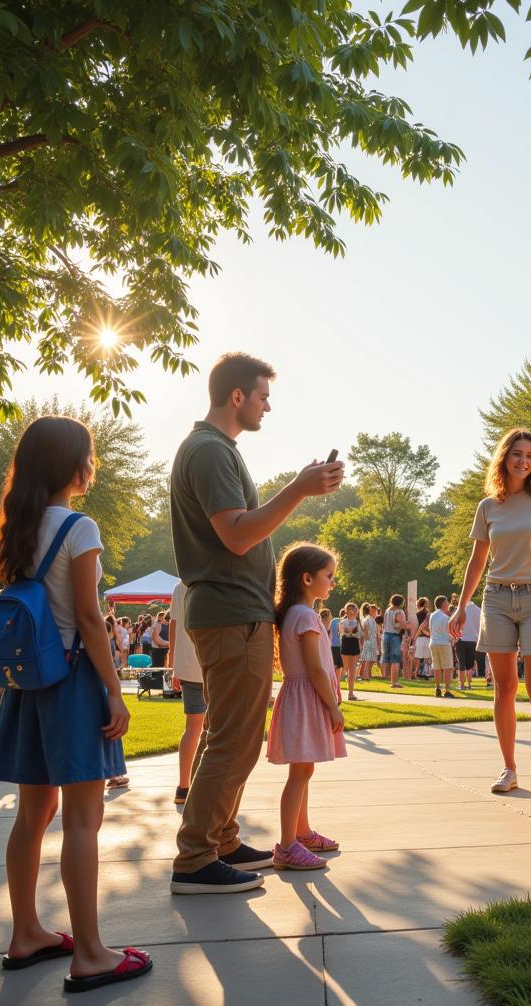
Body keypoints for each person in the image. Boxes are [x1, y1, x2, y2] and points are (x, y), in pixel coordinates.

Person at [0, 414, 150, 993]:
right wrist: (114, 689)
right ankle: (91, 954)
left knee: (33, 817)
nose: (94, 463)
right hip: (75, 678)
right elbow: (87, 617)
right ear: (71, 464)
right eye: (90, 453)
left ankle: (26, 931)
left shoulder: (17, 529)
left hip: (28, 683)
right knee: (83, 818)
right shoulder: (79, 528)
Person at [168, 352, 342, 895]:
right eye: (263, 395)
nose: (269, 404)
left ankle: (220, 839)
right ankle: (195, 857)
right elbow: (238, 535)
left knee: (236, 736)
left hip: (235, 614)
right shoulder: (210, 451)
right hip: (228, 614)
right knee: (233, 739)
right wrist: (298, 489)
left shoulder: (217, 450)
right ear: (237, 396)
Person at [449, 428, 531, 796]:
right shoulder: (488, 507)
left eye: (530, 455)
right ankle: (508, 768)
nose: (523, 461)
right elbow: (477, 560)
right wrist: (461, 607)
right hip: (497, 598)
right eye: (517, 453)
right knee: (504, 688)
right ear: (505, 458)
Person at [266, 544, 345, 869]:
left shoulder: (296, 614)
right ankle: (287, 845)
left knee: (304, 768)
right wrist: (333, 707)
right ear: (307, 578)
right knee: (299, 772)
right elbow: (314, 669)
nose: (333, 582)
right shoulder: (306, 617)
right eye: (329, 576)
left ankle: (302, 832)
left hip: (300, 698)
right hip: (306, 699)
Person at [168, 579, 206, 806]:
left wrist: (174, 663)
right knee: (216, 729)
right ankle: (205, 786)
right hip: (215, 664)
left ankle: (183, 786)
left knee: (192, 727)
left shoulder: (180, 586)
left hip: (187, 665)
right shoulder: (215, 578)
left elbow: (173, 624)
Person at [429, 596, 455, 698]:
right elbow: (448, 631)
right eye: (447, 602)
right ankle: (447, 690)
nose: (448, 604)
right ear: (443, 604)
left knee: (437, 667)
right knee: (448, 667)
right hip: (444, 643)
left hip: (433, 642)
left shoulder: (432, 615)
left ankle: (437, 688)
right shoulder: (445, 617)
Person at [381, 594, 407, 688]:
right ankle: (394, 682)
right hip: (395, 635)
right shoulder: (400, 611)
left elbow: (384, 624)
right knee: (395, 660)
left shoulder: (387, 610)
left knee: (387, 659)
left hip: (386, 634)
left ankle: (387, 678)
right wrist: (408, 625)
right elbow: (402, 624)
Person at [456, 596, 481, 690]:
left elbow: (455, 624)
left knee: (461, 663)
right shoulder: (479, 610)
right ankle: (469, 684)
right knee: (470, 664)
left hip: (461, 639)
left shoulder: (461, 609)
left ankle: (461, 685)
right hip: (473, 640)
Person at [339, 602, 361, 697]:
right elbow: (342, 633)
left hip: (355, 645)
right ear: (346, 611)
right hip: (346, 644)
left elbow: (360, 634)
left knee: (352, 671)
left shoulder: (358, 622)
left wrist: (351, 632)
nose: (351, 611)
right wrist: (351, 632)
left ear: (356, 611)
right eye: (349, 609)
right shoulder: (342, 622)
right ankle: (336, 691)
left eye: (353, 609)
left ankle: (351, 693)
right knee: (344, 669)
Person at [358, 602, 378, 681]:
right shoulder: (367, 619)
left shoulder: (372, 620)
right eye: (374, 611)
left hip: (372, 640)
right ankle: (364, 675)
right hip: (368, 641)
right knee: (367, 659)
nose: (376, 613)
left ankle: (367, 674)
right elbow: (365, 631)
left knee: (371, 659)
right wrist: (367, 642)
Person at [413, 597, 432, 679]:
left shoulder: (415, 614)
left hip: (419, 637)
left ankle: (415, 673)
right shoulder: (429, 614)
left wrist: (415, 636)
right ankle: (427, 673)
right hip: (427, 637)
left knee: (417, 657)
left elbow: (418, 627)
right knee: (427, 657)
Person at [325, 607, 344, 686]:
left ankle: (335, 683)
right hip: (339, 645)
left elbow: (328, 631)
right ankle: (334, 682)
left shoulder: (334, 620)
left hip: (332, 644)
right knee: (337, 666)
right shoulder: (342, 622)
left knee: (336, 665)